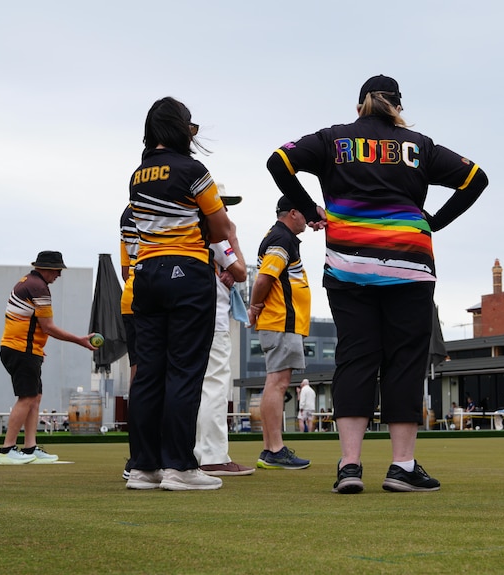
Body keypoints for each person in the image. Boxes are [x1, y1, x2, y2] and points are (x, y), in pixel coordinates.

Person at [266, 74, 488, 493]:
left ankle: (350, 466)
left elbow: (279, 160)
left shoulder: (333, 139)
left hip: (349, 265)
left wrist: (310, 209)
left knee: (355, 358)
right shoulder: (420, 145)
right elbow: (476, 178)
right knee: (404, 359)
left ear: (359, 106)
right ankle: (402, 466)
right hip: (410, 265)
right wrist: (434, 221)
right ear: (398, 107)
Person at [126, 96, 235, 491]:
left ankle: (143, 467)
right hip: (187, 270)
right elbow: (221, 229)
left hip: (146, 274)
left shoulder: (137, 175)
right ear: (180, 128)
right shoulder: (194, 169)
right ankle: (179, 467)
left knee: (149, 374)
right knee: (185, 371)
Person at [0, 250, 96, 464]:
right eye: (57, 270)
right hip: (21, 349)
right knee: (26, 398)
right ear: (47, 268)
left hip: (24, 349)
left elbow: (29, 323)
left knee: (35, 397)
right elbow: (48, 327)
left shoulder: (29, 282)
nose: (59, 275)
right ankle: (6, 450)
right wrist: (80, 340)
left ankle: (30, 448)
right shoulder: (38, 287)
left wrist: (37, 347)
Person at [247, 195, 312, 470]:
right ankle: (274, 449)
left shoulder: (279, 236)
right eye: (305, 214)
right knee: (278, 383)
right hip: (281, 320)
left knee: (275, 382)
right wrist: (254, 306)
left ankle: (269, 449)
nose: (308, 220)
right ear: (293, 213)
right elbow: (264, 277)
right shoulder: (281, 238)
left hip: (281, 322)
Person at [195, 197, 255, 477]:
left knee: (191, 386)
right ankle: (212, 454)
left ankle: (192, 452)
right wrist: (233, 234)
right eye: (222, 206)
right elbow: (241, 272)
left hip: (187, 318)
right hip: (212, 319)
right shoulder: (217, 236)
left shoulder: (185, 231)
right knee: (215, 386)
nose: (226, 212)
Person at [119, 204, 138, 480]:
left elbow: (125, 272)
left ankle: (139, 455)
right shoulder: (171, 202)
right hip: (161, 299)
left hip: (132, 297)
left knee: (139, 374)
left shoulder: (127, 213)